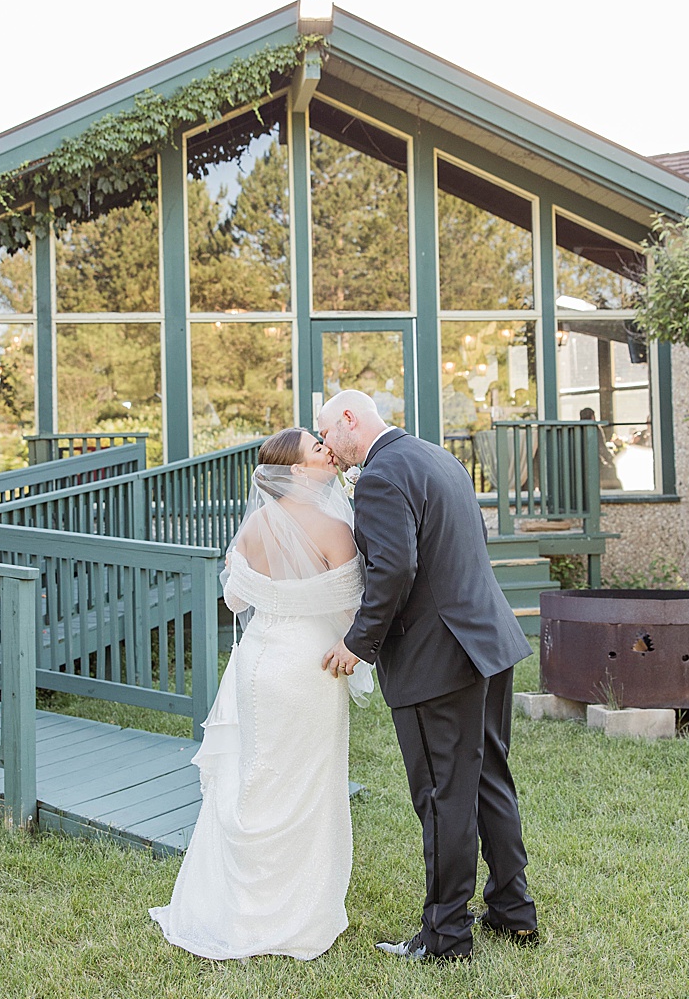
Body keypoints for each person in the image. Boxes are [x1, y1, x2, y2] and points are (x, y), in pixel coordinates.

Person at [318, 390, 538, 963]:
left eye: (327, 433)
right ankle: (513, 911)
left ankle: (445, 937)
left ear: (350, 419)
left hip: (437, 661)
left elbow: (395, 569)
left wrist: (357, 643)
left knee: (442, 796)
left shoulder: (382, 476)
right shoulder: (438, 457)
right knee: (488, 777)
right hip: (486, 641)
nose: (327, 449)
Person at [150, 427, 371, 962]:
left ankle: (234, 905)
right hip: (309, 667)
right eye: (318, 449)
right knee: (305, 779)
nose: (330, 452)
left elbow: (234, 597)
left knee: (255, 775)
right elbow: (353, 609)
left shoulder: (253, 527)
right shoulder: (334, 528)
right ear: (295, 470)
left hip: (256, 664)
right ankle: (290, 912)